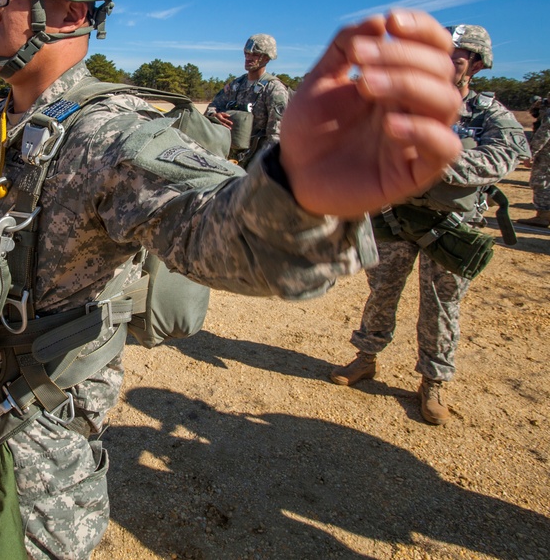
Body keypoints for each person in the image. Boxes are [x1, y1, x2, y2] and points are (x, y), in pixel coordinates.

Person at [0, 0, 463, 558]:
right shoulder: (3, 118)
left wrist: (300, 189)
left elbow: (215, 228)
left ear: (70, 7)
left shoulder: (108, 134)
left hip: (44, 428)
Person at [330, 24, 530, 425]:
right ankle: (366, 358)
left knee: (441, 306)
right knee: (381, 291)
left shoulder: (489, 114)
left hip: (451, 227)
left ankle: (432, 383)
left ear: (474, 64)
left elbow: (503, 157)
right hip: (398, 218)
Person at [203, 33, 292, 166]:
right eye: (246, 53)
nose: (249, 58)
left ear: (267, 58)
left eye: (255, 54)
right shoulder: (236, 85)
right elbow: (213, 106)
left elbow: (276, 137)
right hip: (226, 156)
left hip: (256, 161)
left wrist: (262, 168)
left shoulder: (274, 90)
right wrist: (214, 115)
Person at [517, 98, 550, 227]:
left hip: (546, 155)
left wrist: (530, 153)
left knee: (540, 182)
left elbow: (543, 135)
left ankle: (543, 216)